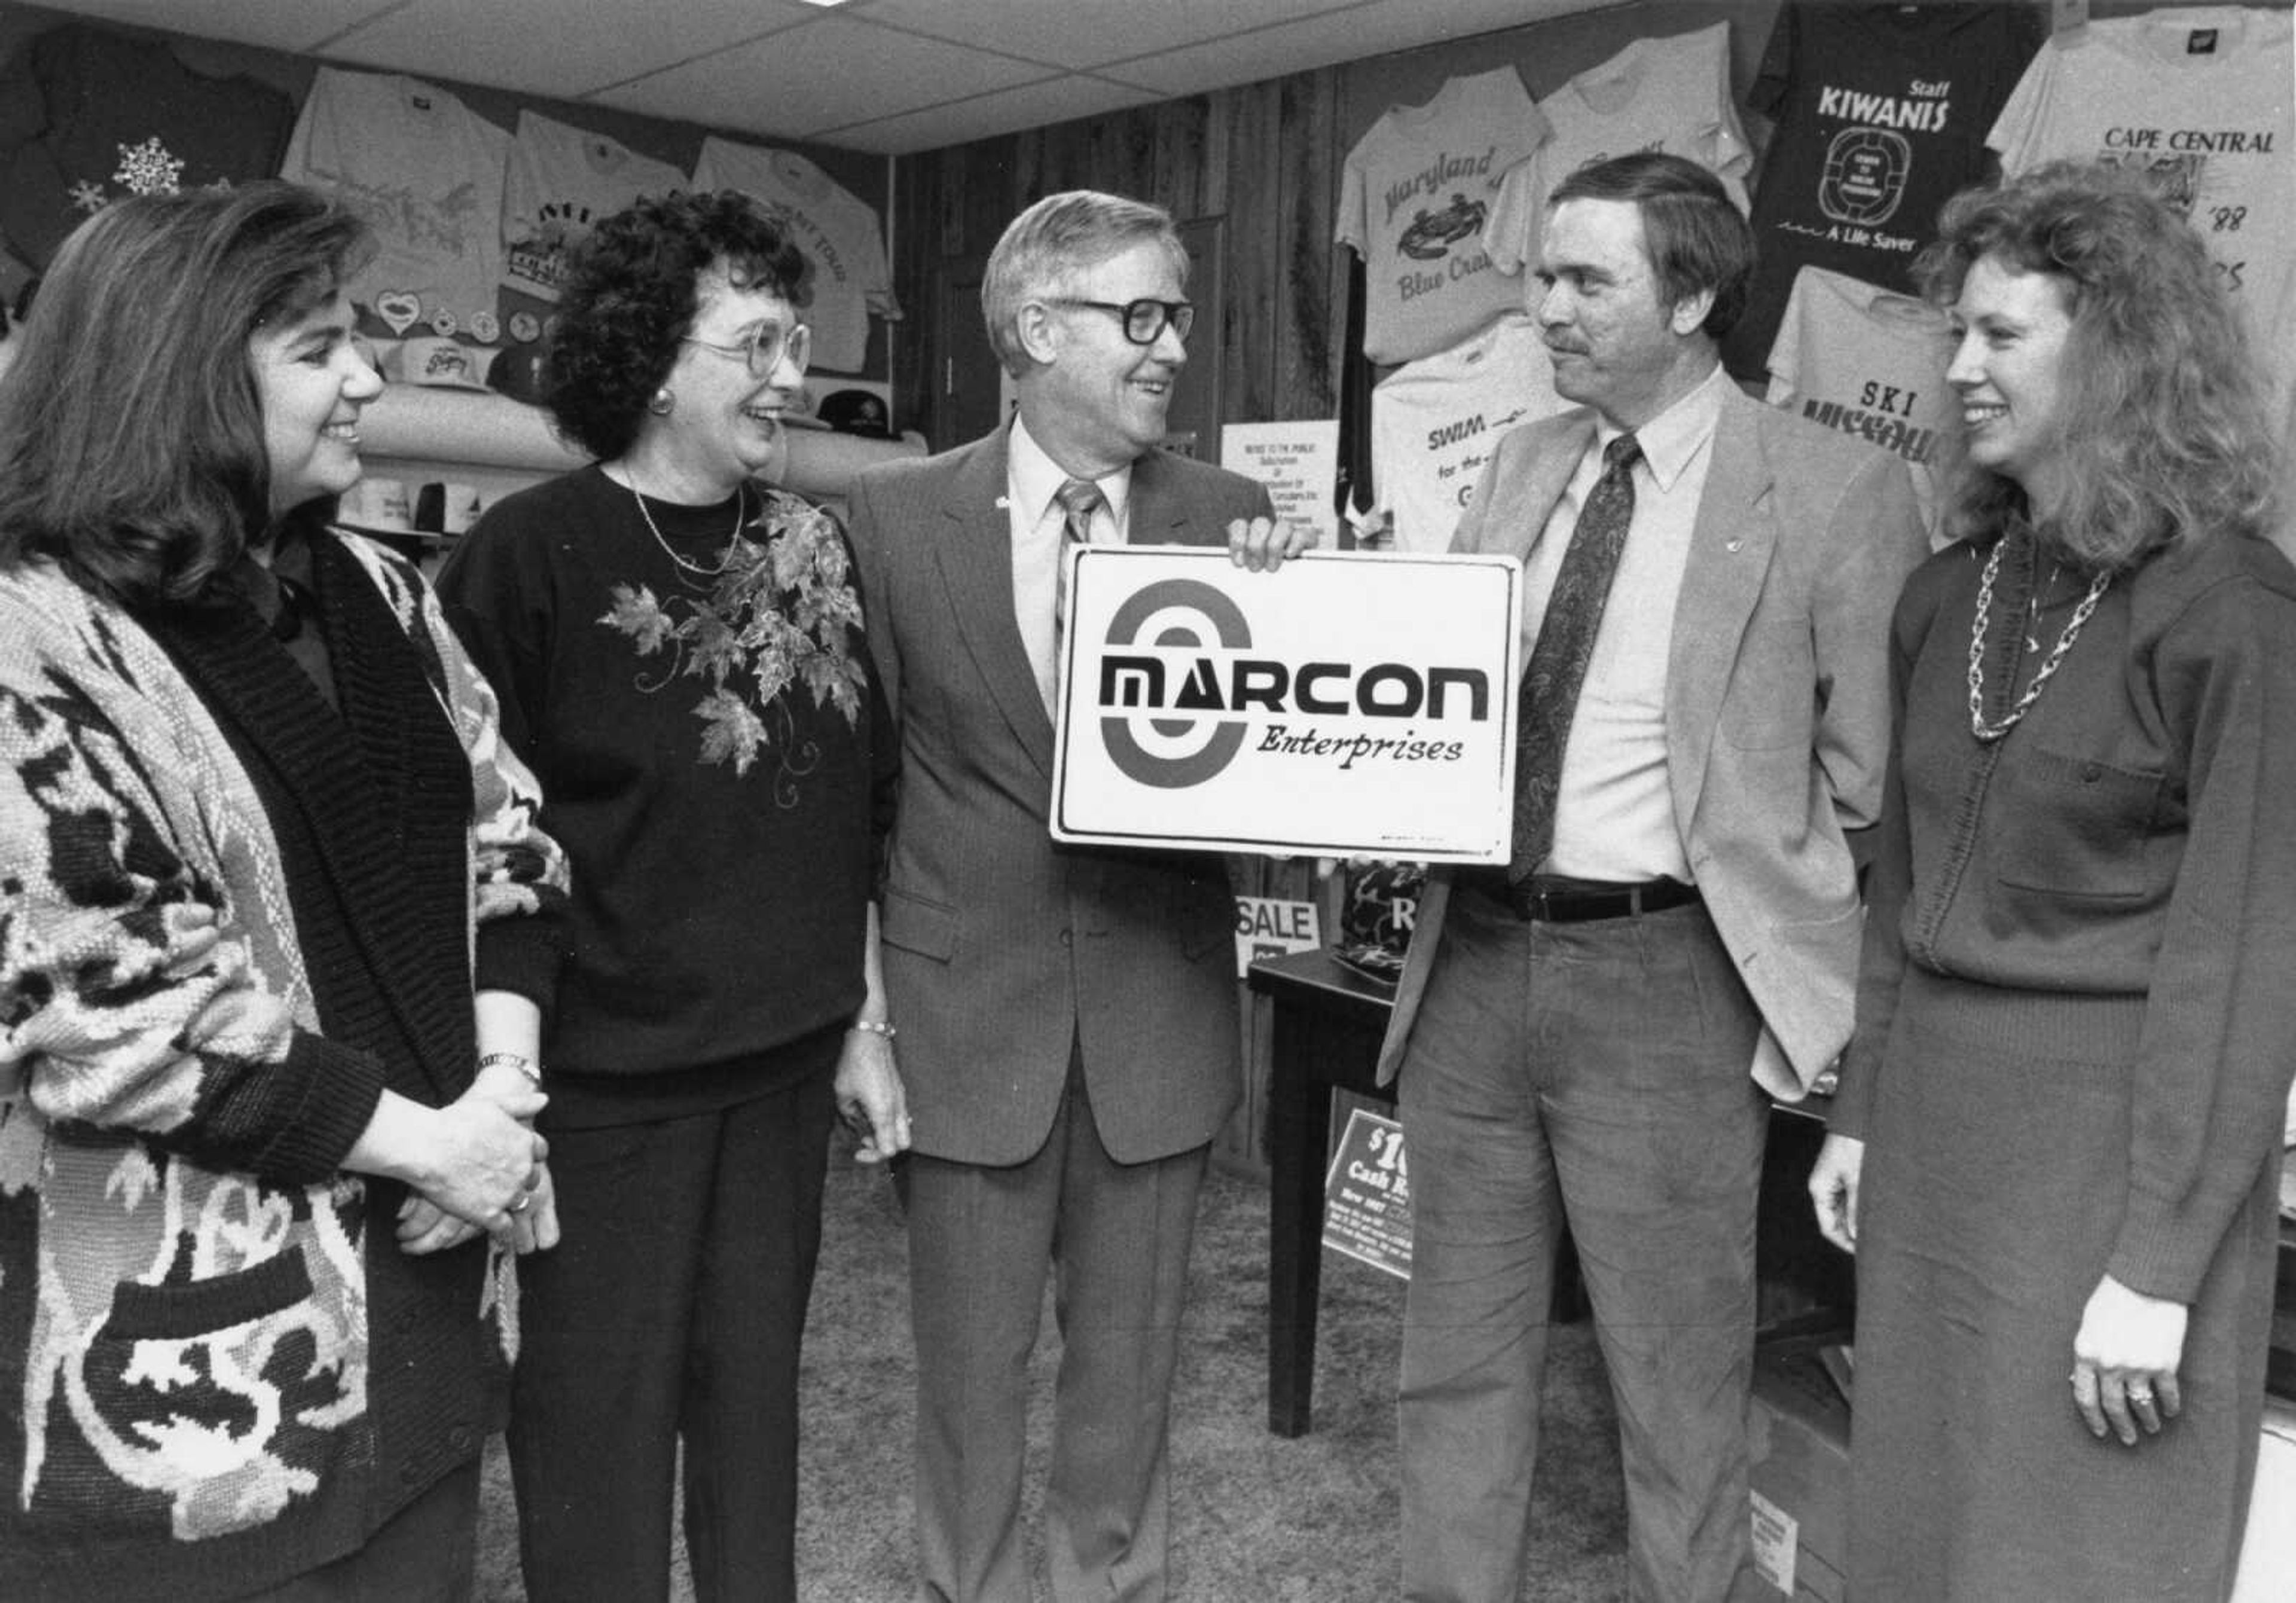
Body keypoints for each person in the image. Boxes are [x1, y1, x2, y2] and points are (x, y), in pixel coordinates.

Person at [0, 182, 567, 1601]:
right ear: (182, 374)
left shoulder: (385, 592)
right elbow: (111, 1010)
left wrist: (497, 1094)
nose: (371, 376)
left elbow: (515, 854)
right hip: (185, 1395)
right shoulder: (36, 637)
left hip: (429, 1311)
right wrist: (432, 1148)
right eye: (319, 347)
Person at [1373, 151, 1926, 1602]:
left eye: (1581, 280)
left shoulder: (1834, 488)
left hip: (1669, 988)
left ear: (1689, 299)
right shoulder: (1521, 462)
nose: (1543, 308)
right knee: (1457, 1359)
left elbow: (1870, 785)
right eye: (1541, 275)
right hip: (1473, 963)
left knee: (1676, 1381)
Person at [1807, 160, 2296, 1599]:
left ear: (2119, 357)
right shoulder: (1950, 595)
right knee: (1916, 1524)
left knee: (2077, 1548)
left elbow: (2248, 961)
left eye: (2002, 337)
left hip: (2108, 1150)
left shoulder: (2231, 611)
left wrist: (2159, 1268)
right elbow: (1902, 887)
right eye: (1955, 334)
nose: (1959, 368)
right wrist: (1859, 1109)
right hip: (1935, 1134)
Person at [435, 188, 906, 1603]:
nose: (790, 377)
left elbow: (852, 816)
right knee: (594, 1443)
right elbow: (466, 837)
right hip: (600, 1092)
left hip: (776, 1080)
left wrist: (861, 1024)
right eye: (756, 342)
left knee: (758, 1425)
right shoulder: (524, 556)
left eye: (797, 342)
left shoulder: (816, 550)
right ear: (652, 361)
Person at [844, 188, 1306, 1602]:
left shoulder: (1234, 521)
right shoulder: (888, 523)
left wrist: (1296, 621)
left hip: (1154, 1018)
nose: (1171, 349)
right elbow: (854, 812)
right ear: (1039, 328)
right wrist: (860, 1021)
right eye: (1141, 317)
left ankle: (1112, 1585)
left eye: (1178, 317)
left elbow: (1288, 770)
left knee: (1132, 1375)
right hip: (963, 1014)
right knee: (968, 1381)